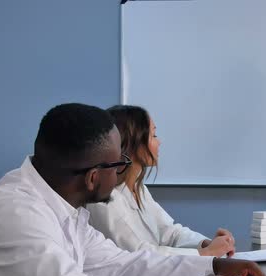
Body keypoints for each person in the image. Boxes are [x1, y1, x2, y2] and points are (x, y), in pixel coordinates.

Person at [0, 103, 266, 276]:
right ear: (93, 177)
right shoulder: (13, 219)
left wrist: (212, 265)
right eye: (119, 163)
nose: (125, 168)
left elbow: (123, 264)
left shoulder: (59, 206)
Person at [87, 105, 235, 257]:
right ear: (133, 142)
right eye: (153, 135)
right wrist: (204, 253)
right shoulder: (104, 199)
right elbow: (139, 254)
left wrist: (207, 244)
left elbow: (170, 232)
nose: (159, 142)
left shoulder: (139, 188)